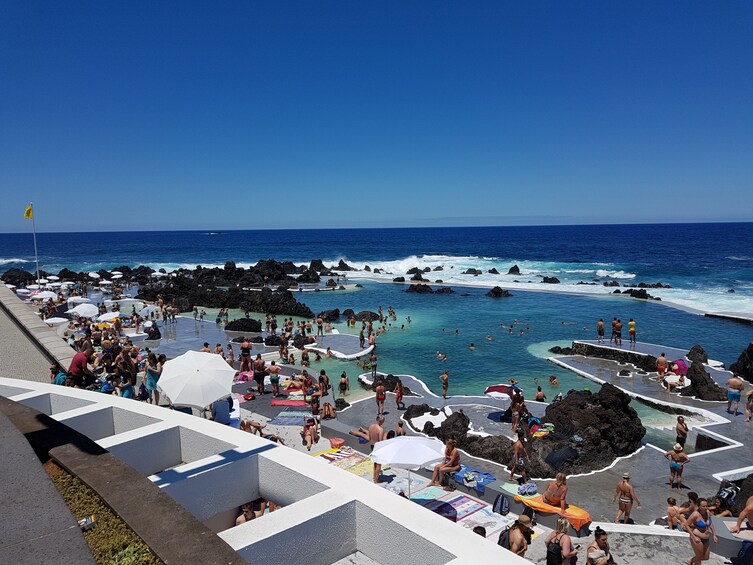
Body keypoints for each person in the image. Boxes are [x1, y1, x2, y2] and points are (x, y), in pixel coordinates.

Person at [685, 498, 717, 564]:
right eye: (703, 506)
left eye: (706, 506)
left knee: (706, 557)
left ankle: (691, 561)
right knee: (699, 556)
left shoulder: (707, 512)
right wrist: (693, 537)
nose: (705, 508)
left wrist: (714, 535)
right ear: (699, 506)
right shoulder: (695, 514)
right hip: (697, 537)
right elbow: (686, 525)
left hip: (706, 538)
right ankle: (692, 562)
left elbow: (710, 523)